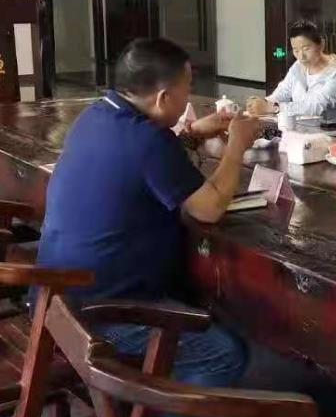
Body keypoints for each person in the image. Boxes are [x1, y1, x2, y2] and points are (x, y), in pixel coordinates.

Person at [35, 37, 261, 389]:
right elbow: (210, 209)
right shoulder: (149, 140)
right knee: (225, 354)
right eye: (187, 87)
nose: (189, 96)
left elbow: (150, 164)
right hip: (100, 312)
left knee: (194, 302)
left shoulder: (96, 115)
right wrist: (237, 145)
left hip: (57, 299)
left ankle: (149, 392)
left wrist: (192, 134)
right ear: (163, 97)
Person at [246, 21, 336, 124]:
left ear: (321, 44)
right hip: (299, 129)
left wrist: (273, 108)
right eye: (296, 50)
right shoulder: (298, 66)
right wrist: (262, 103)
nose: (301, 56)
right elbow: (283, 92)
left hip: (329, 132)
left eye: (306, 49)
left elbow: (316, 107)